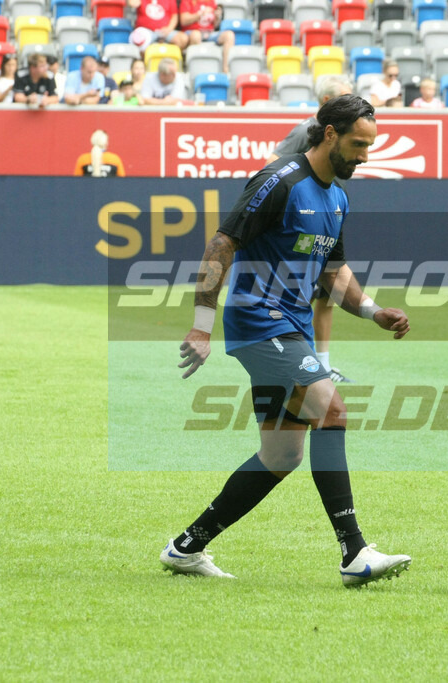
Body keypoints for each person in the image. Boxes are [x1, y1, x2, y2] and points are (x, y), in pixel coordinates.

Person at [166, 95, 412, 587]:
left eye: (370, 146)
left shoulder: (337, 197)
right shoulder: (279, 181)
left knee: (282, 455)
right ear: (328, 135)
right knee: (333, 409)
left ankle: (186, 547)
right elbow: (221, 243)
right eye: (358, 145)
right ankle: (354, 552)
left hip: (291, 327)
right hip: (260, 323)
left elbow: (334, 270)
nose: (364, 156)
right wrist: (201, 323)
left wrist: (371, 311)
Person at [265, 74, 354, 383]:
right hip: (306, 222)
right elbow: (272, 164)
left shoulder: (343, 134)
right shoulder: (306, 129)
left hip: (330, 218)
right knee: (301, 293)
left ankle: (323, 364)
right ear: (326, 102)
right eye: (345, 98)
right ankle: (300, 362)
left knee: (327, 294)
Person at [179, 0, 235, 70]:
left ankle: (225, 69)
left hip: (210, 32)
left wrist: (217, 17)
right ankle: (193, 68)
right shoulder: (187, 1)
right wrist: (200, 14)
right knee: (196, 35)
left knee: (229, 35)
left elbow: (215, 25)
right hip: (192, 31)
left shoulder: (211, 1)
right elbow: (184, 21)